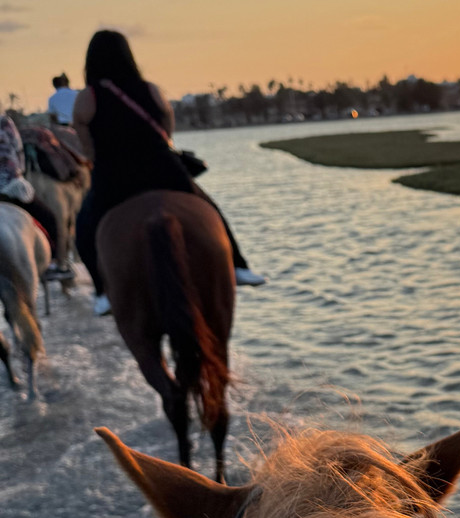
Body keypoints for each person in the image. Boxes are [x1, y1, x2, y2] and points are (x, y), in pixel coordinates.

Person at [72, 30, 265, 317]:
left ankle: (102, 293)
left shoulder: (87, 98)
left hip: (114, 173)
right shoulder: (151, 89)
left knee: (84, 227)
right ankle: (238, 265)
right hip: (162, 166)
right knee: (207, 207)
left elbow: (88, 148)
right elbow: (167, 132)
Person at [0, 113, 61, 265]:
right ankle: (54, 264)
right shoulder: (4, 122)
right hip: (9, 186)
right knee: (50, 219)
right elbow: (15, 156)